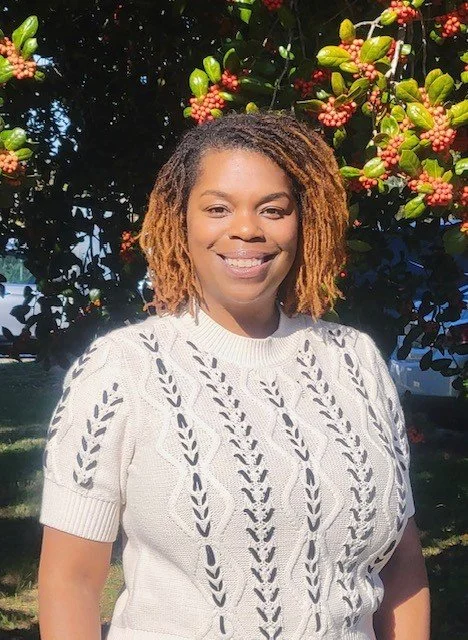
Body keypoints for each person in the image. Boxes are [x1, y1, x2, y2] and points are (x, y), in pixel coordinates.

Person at [38, 112, 430, 640]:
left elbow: (401, 562)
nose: (246, 228)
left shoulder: (356, 360)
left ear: (302, 222)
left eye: (273, 209)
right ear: (181, 221)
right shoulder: (122, 369)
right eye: (218, 208)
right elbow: (70, 582)